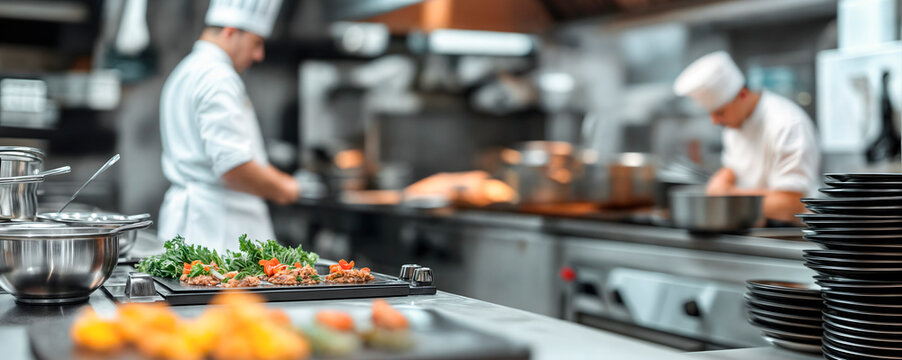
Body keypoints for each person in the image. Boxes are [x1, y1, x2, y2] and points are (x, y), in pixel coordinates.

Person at [158, 0, 299, 252]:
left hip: (195, 225)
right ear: (230, 32)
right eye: (256, 43)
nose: (259, 55)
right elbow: (234, 167)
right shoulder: (217, 76)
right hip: (218, 235)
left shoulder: (188, 69)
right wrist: (285, 188)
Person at [673, 51, 821, 223]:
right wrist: (724, 176)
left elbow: (790, 204)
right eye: (710, 113)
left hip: (794, 232)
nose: (714, 121)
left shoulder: (787, 124)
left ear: (742, 95)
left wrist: (728, 196)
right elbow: (736, 167)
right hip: (755, 225)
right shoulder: (734, 125)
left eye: (720, 112)